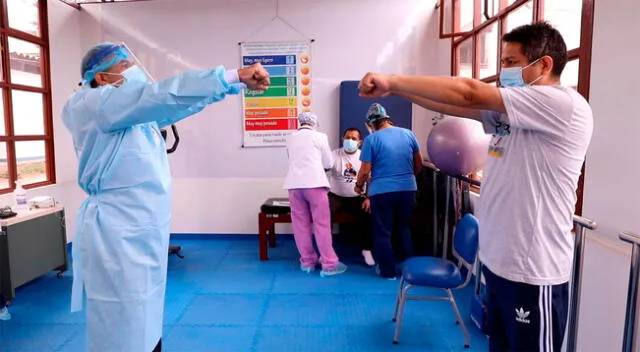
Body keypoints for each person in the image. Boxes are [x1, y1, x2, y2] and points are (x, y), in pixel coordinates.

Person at [357, 22, 593, 351]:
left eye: (511, 62)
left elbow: (468, 91)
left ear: (544, 64)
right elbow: (458, 105)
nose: (503, 70)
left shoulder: (562, 104)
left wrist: (392, 79)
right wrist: (395, 93)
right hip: (499, 262)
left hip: (533, 271)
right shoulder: (514, 111)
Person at [62, 42, 270, 352]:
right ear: (101, 78)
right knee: (121, 317)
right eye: (124, 68)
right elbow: (158, 95)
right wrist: (230, 75)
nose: (133, 74)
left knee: (145, 311)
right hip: (117, 232)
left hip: (143, 230)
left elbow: (174, 104)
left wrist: (227, 87)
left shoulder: (129, 115)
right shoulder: (92, 104)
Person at [354, 103, 423, 279]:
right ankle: (409, 272)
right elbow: (419, 163)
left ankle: (388, 272)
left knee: (383, 232)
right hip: (407, 189)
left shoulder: (372, 139)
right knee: (403, 229)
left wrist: (358, 186)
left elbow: (365, 169)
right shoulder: (408, 134)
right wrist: (407, 178)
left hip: (382, 192)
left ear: (372, 123)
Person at [284, 112, 347, 277]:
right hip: (315, 185)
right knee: (322, 225)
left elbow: (291, 157)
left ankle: (307, 263)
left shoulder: (290, 137)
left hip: (294, 185)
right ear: (314, 123)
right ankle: (329, 264)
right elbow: (328, 162)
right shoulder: (320, 136)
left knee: (300, 225)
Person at [327, 127, 374, 266]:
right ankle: (327, 251)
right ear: (342, 139)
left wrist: (368, 197)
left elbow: (370, 179)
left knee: (368, 212)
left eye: (354, 138)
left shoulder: (364, 157)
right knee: (324, 211)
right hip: (336, 196)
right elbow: (322, 172)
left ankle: (367, 249)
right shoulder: (333, 154)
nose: (350, 140)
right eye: (347, 137)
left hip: (357, 196)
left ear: (360, 142)